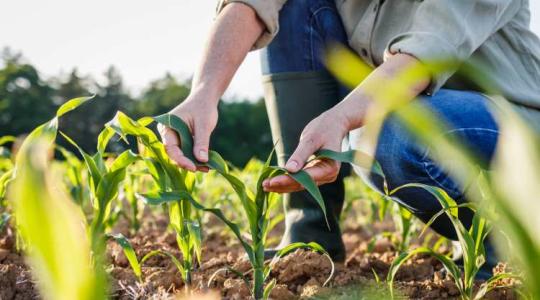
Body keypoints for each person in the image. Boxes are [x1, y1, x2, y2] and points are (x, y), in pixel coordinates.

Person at [158, 0, 540, 278]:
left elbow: (424, 54)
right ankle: (310, 237)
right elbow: (251, 5)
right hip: (414, 109)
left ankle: (513, 244)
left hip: (515, 125)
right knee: (296, 7)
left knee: (386, 134)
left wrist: (342, 118)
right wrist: (204, 93)